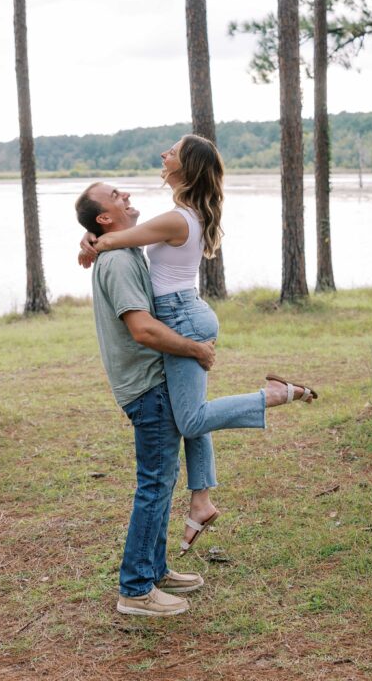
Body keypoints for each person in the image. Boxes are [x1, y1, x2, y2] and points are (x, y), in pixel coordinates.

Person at [78, 136, 318, 556]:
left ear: (185, 168)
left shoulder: (177, 219)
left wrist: (90, 245)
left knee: (190, 420)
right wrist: (91, 240)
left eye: (171, 151)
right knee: (187, 412)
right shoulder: (181, 215)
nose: (163, 155)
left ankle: (276, 394)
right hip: (183, 311)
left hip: (181, 317)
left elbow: (114, 239)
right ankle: (202, 501)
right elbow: (118, 236)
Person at [76, 180, 216, 616]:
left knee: (162, 479)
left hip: (152, 380)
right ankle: (135, 589)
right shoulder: (117, 260)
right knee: (154, 485)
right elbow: (143, 329)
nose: (127, 196)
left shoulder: (120, 246)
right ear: (104, 217)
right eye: (116, 196)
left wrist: (90, 239)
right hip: (146, 384)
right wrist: (196, 349)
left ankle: (154, 569)